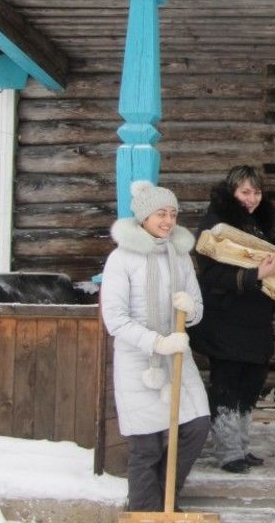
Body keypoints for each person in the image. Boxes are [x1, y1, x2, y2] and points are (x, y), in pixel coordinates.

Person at [191, 165, 275, 474]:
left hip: (257, 316)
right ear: (232, 191)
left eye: (257, 192)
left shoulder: (264, 218)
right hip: (225, 315)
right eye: (245, 192)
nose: (252, 198)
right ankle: (228, 451)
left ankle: (242, 445)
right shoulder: (216, 224)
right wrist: (256, 274)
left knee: (251, 384)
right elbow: (211, 273)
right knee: (227, 385)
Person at [101, 180, 210, 512]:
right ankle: (146, 510)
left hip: (177, 356)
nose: (168, 221)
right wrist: (157, 343)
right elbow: (115, 318)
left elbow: (198, 308)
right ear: (144, 217)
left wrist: (190, 310)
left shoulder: (179, 256)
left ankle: (164, 501)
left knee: (197, 425)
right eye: (161, 214)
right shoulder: (122, 258)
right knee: (146, 447)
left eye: (173, 214)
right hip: (140, 362)